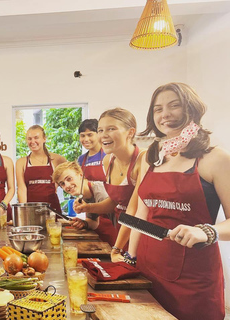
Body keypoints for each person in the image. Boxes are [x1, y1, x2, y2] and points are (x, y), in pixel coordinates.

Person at [126, 83, 229, 320]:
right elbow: (142, 216)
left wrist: (208, 231)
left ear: (191, 110)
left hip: (194, 277)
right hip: (148, 267)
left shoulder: (216, 158)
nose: (165, 115)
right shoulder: (150, 157)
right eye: (158, 109)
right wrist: (130, 258)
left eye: (175, 106)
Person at [74, 108, 145, 247]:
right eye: (100, 130)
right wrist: (87, 208)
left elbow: (134, 210)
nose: (103, 135)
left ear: (130, 132)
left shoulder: (144, 159)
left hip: (140, 234)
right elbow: (114, 202)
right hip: (119, 228)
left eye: (111, 129)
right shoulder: (108, 161)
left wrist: (117, 247)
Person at [15, 125, 66, 212]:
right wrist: (24, 212)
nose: (32, 141)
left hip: (52, 209)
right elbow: (22, 189)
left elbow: (69, 180)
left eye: (36, 138)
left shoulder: (58, 159)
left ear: (44, 138)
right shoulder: (21, 162)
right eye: (29, 139)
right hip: (30, 211)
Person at [52, 161, 114, 230]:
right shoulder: (85, 196)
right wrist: (84, 223)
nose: (67, 185)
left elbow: (120, 221)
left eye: (69, 179)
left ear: (80, 175)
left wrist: (88, 208)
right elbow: (94, 222)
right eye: (62, 184)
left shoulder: (101, 193)